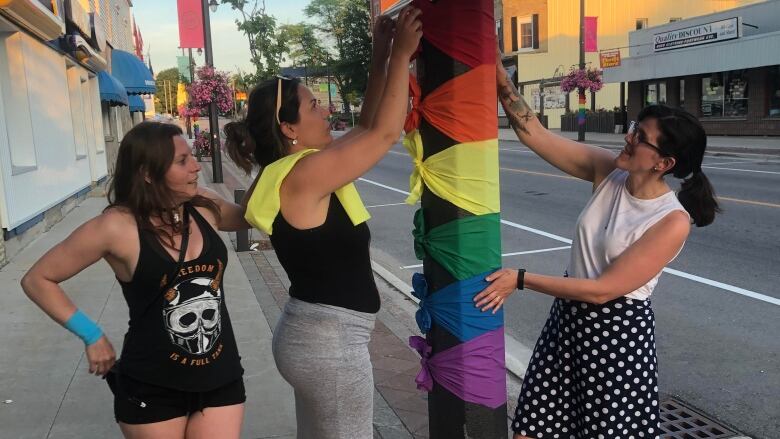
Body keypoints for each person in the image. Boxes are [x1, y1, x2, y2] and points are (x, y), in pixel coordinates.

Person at [474, 58, 720, 438]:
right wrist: (496, 70)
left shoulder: (671, 221)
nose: (629, 137)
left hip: (615, 341)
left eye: (640, 138)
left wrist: (519, 279)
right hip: (568, 325)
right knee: (528, 430)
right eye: (635, 128)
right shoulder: (610, 173)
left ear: (664, 163)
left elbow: (604, 290)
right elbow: (532, 132)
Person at [223, 8, 422, 439]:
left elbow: (368, 124)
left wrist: (381, 53)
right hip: (329, 345)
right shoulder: (305, 174)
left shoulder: (288, 169)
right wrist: (404, 56)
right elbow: (385, 134)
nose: (325, 109)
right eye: (314, 104)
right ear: (289, 126)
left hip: (316, 336)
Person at [21, 122, 250, 438]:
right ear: (147, 173)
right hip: (153, 386)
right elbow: (38, 279)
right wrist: (91, 335)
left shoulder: (203, 206)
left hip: (220, 377)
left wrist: (271, 156)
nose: (196, 166)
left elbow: (254, 216)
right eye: (182, 161)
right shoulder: (117, 227)